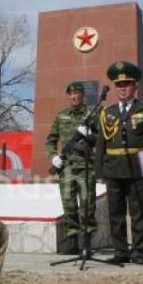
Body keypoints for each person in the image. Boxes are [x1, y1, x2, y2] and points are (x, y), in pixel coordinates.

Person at [94, 61, 143, 265]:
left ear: (135, 86)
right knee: (115, 213)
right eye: (119, 85)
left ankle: (138, 253)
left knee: (139, 213)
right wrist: (99, 173)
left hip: (137, 169)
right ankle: (120, 252)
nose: (122, 88)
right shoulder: (107, 113)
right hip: (113, 169)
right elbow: (101, 145)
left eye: (126, 84)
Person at [45, 81, 98, 256]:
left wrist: (90, 135)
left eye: (77, 93)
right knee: (69, 205)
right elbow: (50, 140)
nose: (74, 96)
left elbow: (101, 139)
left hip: (85, 167)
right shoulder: (62, 116)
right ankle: (72, 242)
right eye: (71, 94)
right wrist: (53, 156)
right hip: (66, 167)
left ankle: (87, 242)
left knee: (87, 205)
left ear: (83, 95)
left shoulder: (92, 115)